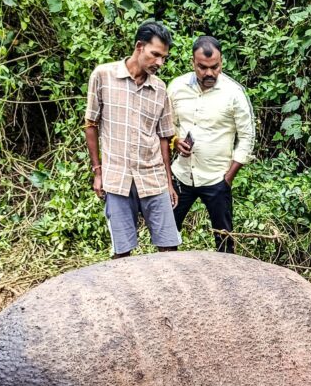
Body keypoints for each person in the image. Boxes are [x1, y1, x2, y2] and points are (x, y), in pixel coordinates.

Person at [85, 21, 181, 258]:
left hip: (153, 177)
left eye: (164, 58)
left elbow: (163, 139)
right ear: (139, 46)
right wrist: (98, 172)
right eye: (155, 55)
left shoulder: (160, 89)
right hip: (116, 177)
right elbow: (91, 124)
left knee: (169, 247)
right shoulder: (103, 75)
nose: (160, 63)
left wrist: (168, 182)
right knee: (122, 251)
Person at [168, 36, 255, 253]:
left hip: (217, 178)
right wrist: (176, 141)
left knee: (224, 241)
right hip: (181, 175)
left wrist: (228, 178)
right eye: (202, 67)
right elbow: (168, 125)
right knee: (167, 235)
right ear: (192, 63)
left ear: (221, 62)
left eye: (214, 67)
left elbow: (247, 137)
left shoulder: (234, 93)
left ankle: (227, 284)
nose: (209, 73)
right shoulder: (177, 87)